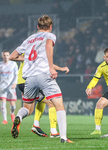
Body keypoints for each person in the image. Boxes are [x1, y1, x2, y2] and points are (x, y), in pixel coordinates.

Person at [9, 15, 73, 143]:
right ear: (50, 27)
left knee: (27, 107)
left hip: (29, 78)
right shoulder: (50, 35)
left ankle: (19, 117)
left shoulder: (28, 40)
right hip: (44, 75)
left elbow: (12, 56)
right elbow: (49, 47)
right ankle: (63, 137)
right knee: (58, 105)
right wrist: (51, 68)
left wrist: (28, 58)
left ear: (37, 27)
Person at [16, 56, 68, 138]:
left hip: (21, 80)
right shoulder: (38, 49)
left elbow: (14, 56)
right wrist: (61, 69)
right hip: (31, 80)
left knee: (30, 108)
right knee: (51, 103)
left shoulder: (27, 48)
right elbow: (47, 64)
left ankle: (21, 118)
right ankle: (53, 131)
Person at [0, 50, 18, 124]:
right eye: (4, 55)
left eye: (7, 55)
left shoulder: (13, 64)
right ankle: (5, 120)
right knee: (3, 103)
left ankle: (12, 113)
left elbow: (16, 74)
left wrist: (15, 83)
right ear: (2, 56)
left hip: (11, 86)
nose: (6, 57)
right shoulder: (0, 65)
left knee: (13, 105)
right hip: (2, 87)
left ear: (9, 56)